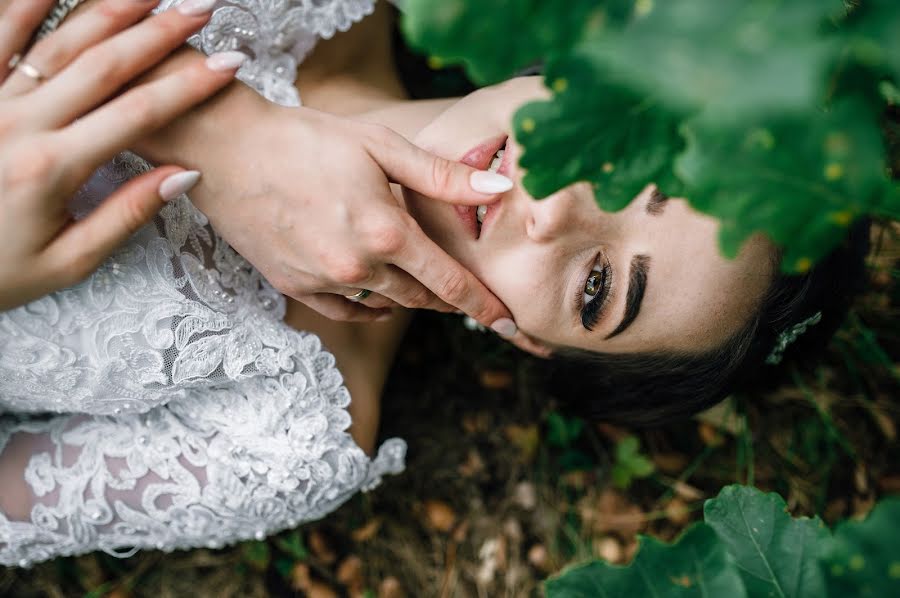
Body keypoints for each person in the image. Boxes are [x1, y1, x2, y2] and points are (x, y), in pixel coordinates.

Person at [0, 0, 871, 565]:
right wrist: (222, 136)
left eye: (599, 288)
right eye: (618, 162)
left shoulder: (291, 439)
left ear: (529, 339)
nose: (554, 211)